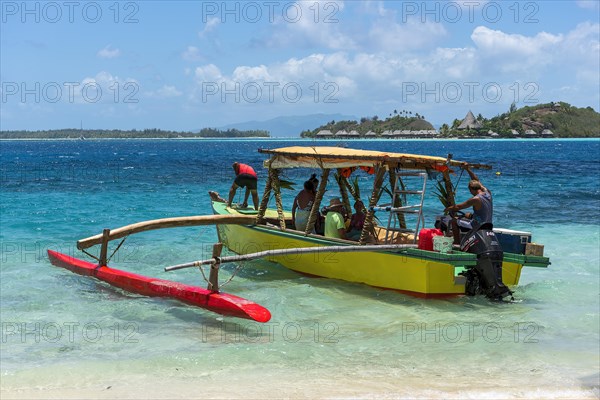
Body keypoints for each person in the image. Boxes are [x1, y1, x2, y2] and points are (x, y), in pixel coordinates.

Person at [444, 163, 493, 233]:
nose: (470, 193)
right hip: (488, 225)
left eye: (470, 190)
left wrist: (447, 208)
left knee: (454, 221)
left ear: (471, 189)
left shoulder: (475, 199)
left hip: (477, 226)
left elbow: (458, 207)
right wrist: (467, 169)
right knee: (467, 215)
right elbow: (477, 181)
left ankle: (456, 243)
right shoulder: (488, 193)